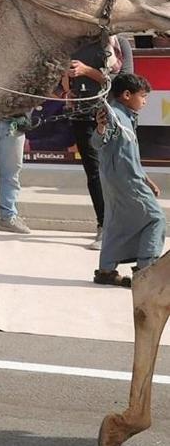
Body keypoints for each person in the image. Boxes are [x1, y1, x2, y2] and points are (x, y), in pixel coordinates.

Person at [91, 73, 165, 287]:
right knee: (155, 219)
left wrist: (147, 180)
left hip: (118, 180)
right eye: (143, 96)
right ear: (126, 95)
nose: (145, 101)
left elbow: (128, 155)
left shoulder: (127, 116)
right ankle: (145, 273)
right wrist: (101, 127)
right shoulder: (114, 115)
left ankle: (106, 271)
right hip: (126, 182)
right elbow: (98, 142)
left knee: (117, 224)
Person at [65, 35, 122, 249]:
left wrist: (87, 71)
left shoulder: (117, 43)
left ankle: (121, 226)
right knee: (94, 172)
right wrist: (67, 78)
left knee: (116, 171)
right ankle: (104, 226)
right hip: (82, 117)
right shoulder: (74, 43)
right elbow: (63, 83)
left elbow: (121, 83)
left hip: (112, 117)